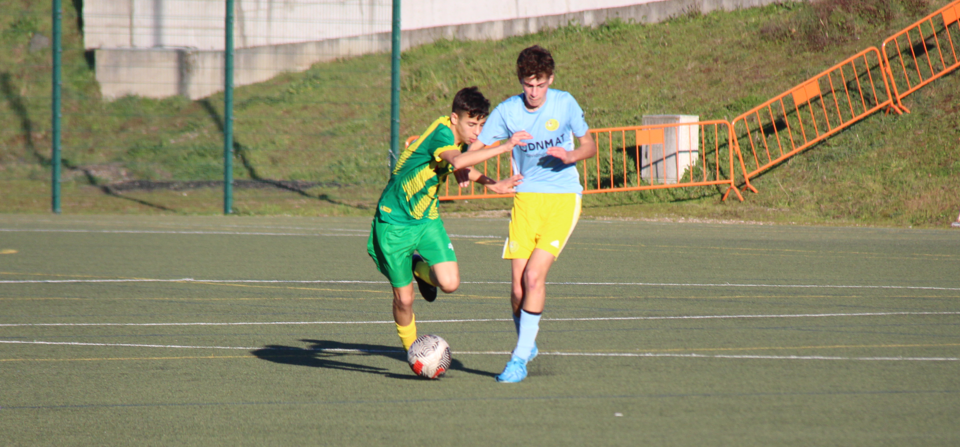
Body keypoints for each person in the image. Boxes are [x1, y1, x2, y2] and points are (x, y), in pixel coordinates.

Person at [463, 45, 597, 383]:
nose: (534, 93)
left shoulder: (565, 104)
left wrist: (571, 156)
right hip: (525, 200)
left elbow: (589, 146)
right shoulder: (508, 112)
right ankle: (527, 340)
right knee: (517, 292)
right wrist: (464, 165)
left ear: (550, 80)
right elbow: (474, 148)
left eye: (540, 85)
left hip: (562, 199)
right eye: (527, 85)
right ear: (520, 81)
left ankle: (519, 359)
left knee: (534, 277)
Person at [367, 86, 523, 352]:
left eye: (480, 125)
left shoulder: (457, 139)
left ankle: (420, 271)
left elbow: (462, 164)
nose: (476, 131)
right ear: (454, 119)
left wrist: (493, 184)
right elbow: (459, 160)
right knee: (404, 300)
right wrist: (505, 146)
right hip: (394, 224)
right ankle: (412, 351)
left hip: (427, 220)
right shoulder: (441, 134)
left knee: (450, 283)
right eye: (471, 124)